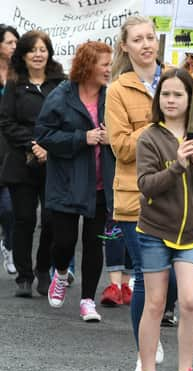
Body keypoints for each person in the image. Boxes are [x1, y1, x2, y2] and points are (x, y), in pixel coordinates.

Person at [132, 68, 193, 371]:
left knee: (191, 301)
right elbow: (146, 185)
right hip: (155, 230)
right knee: (154, 303)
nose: (170, 100)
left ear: (190, 100)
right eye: (165, 94)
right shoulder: (150, 137)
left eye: (177, 95)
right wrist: (177, 166)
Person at [105, 15, 171, 371]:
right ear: (125, 46)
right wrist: (158, 125)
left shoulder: (175, 79)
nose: (146, 44)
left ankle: (153, 326)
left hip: (177, 195)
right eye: (138, 39)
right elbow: (121, 147)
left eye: (150, 37)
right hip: (135, 195)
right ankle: (145, 346)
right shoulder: (118, 89)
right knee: (147, 275)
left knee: (177, 277)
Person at [35, 41, 113, 320]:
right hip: (67, 181)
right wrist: (83, 138)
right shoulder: (61, 95)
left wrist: (110, 137)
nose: (109, 69)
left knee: (94, 242)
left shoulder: (111, 96)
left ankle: (87, 300)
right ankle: (61, 272)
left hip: (101, 183)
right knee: (64, 241)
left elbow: (123, 130)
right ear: (88, 65)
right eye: (104, 64)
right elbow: (43, 134)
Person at [0, 30, 65, 297]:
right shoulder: (15, 83)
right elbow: (6, 121)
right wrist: (32, 144)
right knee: (24, 219)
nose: (38, 54)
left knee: (51, 220)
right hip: (22, 162)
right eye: (33, 50)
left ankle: (42, 270)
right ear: (23, 55)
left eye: (43, 49)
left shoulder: (60, 82)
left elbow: (66, 119)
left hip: (53, 162)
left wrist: (49, 145)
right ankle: (24, 276)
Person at [0, 24, 19, 276]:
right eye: (10, 42)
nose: (14, 47)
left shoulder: (18, 74)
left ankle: (8, 245)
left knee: (9, 207)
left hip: (10, 147)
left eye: (16, 42)